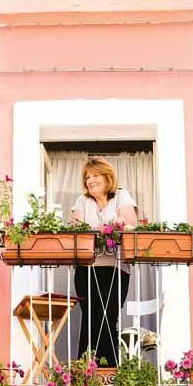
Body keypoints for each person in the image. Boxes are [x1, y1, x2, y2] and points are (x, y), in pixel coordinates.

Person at [71, 156, 137, 365]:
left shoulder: (121, 196)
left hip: (115, 269)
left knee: (108, 317)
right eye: (87, 177)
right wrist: (108, 227)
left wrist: (119, 224)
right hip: (87, 269)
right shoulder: (82, 201)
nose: (90, 180)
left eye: (95, 175)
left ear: (107, 177)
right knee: (90, 319)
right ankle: (86, 370)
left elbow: (130, 226)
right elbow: (77, 232)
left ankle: (109, 371)